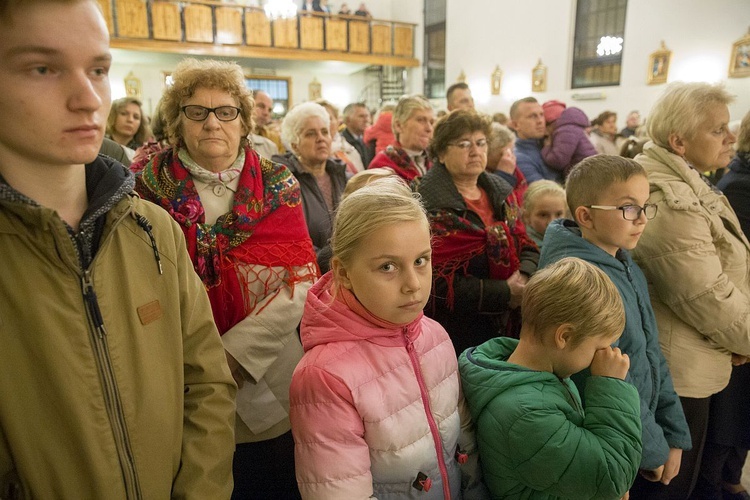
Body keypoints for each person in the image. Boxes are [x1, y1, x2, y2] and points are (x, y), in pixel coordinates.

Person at [0, 2, 236, 497]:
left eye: (99, 70)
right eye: (43, 69)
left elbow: (208, 384)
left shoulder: (151, 229)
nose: (88, 99)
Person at [131, 58, 318, 500]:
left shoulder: (278, 183)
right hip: (182, 378)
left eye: (226, 111)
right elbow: (141, 284)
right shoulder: (146, 190)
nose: (212, 122)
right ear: (178, 123)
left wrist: (232, 354)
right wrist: (204, 362)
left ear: (244, 120)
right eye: (197, 111)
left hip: (267, 372)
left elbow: (302, 279)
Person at [290, 178, 487, 499]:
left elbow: (465, 447)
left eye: (421, 261)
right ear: (343, 273)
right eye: (388, 266)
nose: (413, 284)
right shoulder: (325, 378)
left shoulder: (435, 336)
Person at [539, 156, 692, 499]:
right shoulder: (580, 282)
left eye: (645, 206)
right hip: (615, 440)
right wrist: (653, 448)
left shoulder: (624, 262)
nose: (641, 220)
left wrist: (674, 432)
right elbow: (604, 382)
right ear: (585, 216)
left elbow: (650, 353)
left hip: (641, 433)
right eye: (628, 208)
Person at [631, 82, 750, 500]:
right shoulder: (666, 195)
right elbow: (705, 294)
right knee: (669, 488)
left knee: (693, 480)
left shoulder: (693, 182)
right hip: (676, 371)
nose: (731, 137)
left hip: (704, 357)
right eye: (718, 130)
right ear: (679, 140)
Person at [459, 257, 642, 500]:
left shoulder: (540, 377)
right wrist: (612, 387)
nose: (604, 355)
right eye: (599, 347)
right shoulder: (525, 415)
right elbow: (611, 473)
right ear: (564, 336)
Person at [417, 110, 539, 354]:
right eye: (464, 144)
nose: (475, 151)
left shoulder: (501, 192)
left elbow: (527, 245)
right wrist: (503, 292)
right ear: (441, 153)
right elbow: (432, 280)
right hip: (456, 329)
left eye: (481, 143)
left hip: (509, 321)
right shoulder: (425, 204)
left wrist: (523, 279)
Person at [701, 110, 750, 500]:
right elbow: (714, 278)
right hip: (735, 315)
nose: (727, 137)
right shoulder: (736, 187)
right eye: (718, 130)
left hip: (739, 315)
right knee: (729, 414)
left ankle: (727, 479)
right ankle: (721, 483)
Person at [273, 102, 348, 266]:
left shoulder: (343, 175)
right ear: (295, 145)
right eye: (311, 134)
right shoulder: (283, 182)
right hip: (311, 271)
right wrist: (334, 261)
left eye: (324, 132)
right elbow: (293, 242)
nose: (321, 138)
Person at [368, 94, 434, 181]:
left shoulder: (435, 162)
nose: (429, 128)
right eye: (421, 120)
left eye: (431, 122)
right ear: (398, 125)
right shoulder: (382, 167)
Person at [509, 97, 562, 184]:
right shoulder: (519, 158)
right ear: (515, 125)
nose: (540, 121)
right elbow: (545, 194)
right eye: (532, 116)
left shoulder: (550, 143)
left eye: (541, 115)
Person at [541, 106, 597, 176]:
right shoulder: (573, 128)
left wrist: (547, 147)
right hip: (589, 170)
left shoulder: (565, 131)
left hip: (583, 175)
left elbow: (558, 161)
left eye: (545, 124)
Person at [317, 99, 361, 174]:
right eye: (319, 118)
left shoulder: (350, 150)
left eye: (329, 118)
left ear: (338, 121)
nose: (324, 123)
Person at [522, 179, 567, 249]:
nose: (552, 222)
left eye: (558, 214)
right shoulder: (527, 248)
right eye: (543, 215)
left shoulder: (573, 240)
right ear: (527, 217)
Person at [341, 102, 372, 167]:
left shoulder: (369, 140)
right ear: (348, 120)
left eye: (367, 116)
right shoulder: (341, 143)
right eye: (361, 116)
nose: (366, 120)